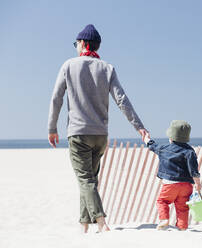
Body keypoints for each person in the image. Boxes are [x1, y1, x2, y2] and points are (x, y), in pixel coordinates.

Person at [47, 24, 148, 233]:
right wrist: (140, 127)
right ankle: (84, 226)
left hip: (78, 133)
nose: (76, 47)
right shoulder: (107, 68)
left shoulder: (68, 65)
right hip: (100, 135)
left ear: (83, 44)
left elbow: (56, 97)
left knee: (85, 180)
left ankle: (101, 223)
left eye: (76, 44)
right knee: (89, 181)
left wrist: (52, 127)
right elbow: (122, 100)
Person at [144, 120, 201, 231]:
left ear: (171, 137)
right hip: (186, 185)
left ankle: (164, 219)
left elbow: (153, 146)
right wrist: (198, 183)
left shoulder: (164, 149)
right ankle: (182, 227)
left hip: (170, 184)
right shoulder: (190, 151)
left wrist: (147, 139)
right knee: (183, 207)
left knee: (162, 201)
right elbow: (194, 169)